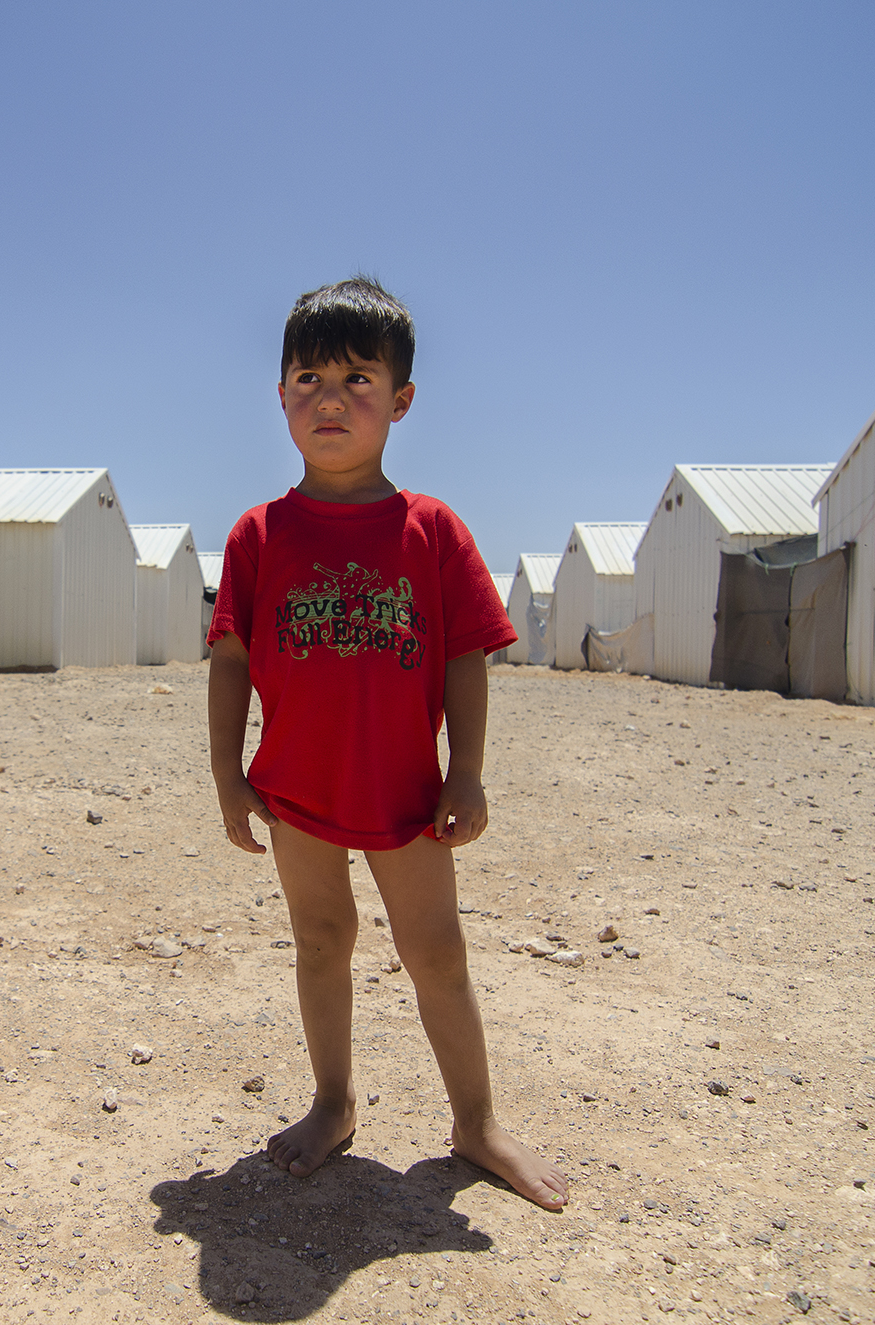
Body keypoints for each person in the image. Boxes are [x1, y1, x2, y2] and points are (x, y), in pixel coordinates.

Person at [206, 276, 569, 1210]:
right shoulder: (258, 535)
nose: (331, 398)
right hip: (294, 791)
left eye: (358, 378)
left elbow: (464, 657)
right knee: (321, 940)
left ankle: (476, 1120)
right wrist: (227, 773)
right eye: (308, 377)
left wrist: (469, 770)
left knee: (436, 951)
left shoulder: (432, 530)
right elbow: (231, 658)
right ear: (280, 394)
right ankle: (333, 1101)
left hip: (409, 794)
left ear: (401, 400)